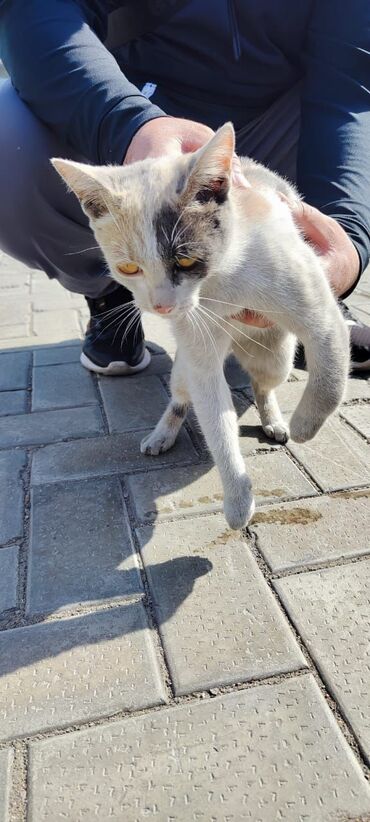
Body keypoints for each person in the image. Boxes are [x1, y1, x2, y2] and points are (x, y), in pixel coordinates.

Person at [0, 0, 369, 374]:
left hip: (271, 123)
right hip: (133, 120)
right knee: (6, 130)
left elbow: (349, 87)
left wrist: (348, 241)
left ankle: (302, 284)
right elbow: (35, 9)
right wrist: (126, 123)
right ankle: (111, 295)